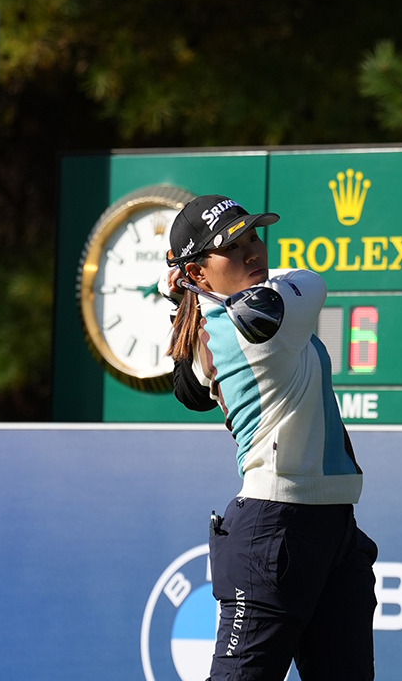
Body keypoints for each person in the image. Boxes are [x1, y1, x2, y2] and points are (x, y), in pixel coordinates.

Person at [162, 194, 378, 681]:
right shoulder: (265, 317)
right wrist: (181, 287)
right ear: (198, 273)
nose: (254, 252)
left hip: (326, 529)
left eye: (254, 237)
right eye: (233, 249)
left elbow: (190, 381)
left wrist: (181, 288)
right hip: (274, 531)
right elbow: (314, 282)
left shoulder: (212, 319)